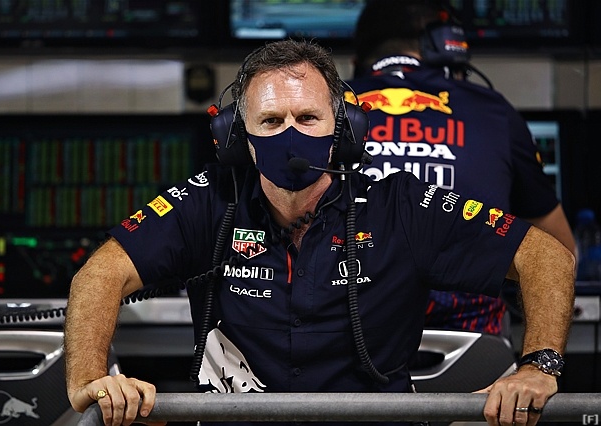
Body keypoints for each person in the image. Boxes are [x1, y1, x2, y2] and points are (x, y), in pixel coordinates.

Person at [64, 39, 575, 426]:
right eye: (271, 120)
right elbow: (101, 273)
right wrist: (90, 378)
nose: (290, 133)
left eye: (308, 117)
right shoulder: (208, 201)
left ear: (343, 129)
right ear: (238, 137)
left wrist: (538, 365)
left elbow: (545, 256)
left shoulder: (400, 205)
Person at [346, 0, 575, 336]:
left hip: (351, 345)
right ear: (447, 47)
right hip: (475, 350)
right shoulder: (494, 111)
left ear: (356, 63)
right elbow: (561, 251)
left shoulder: (325, 109)